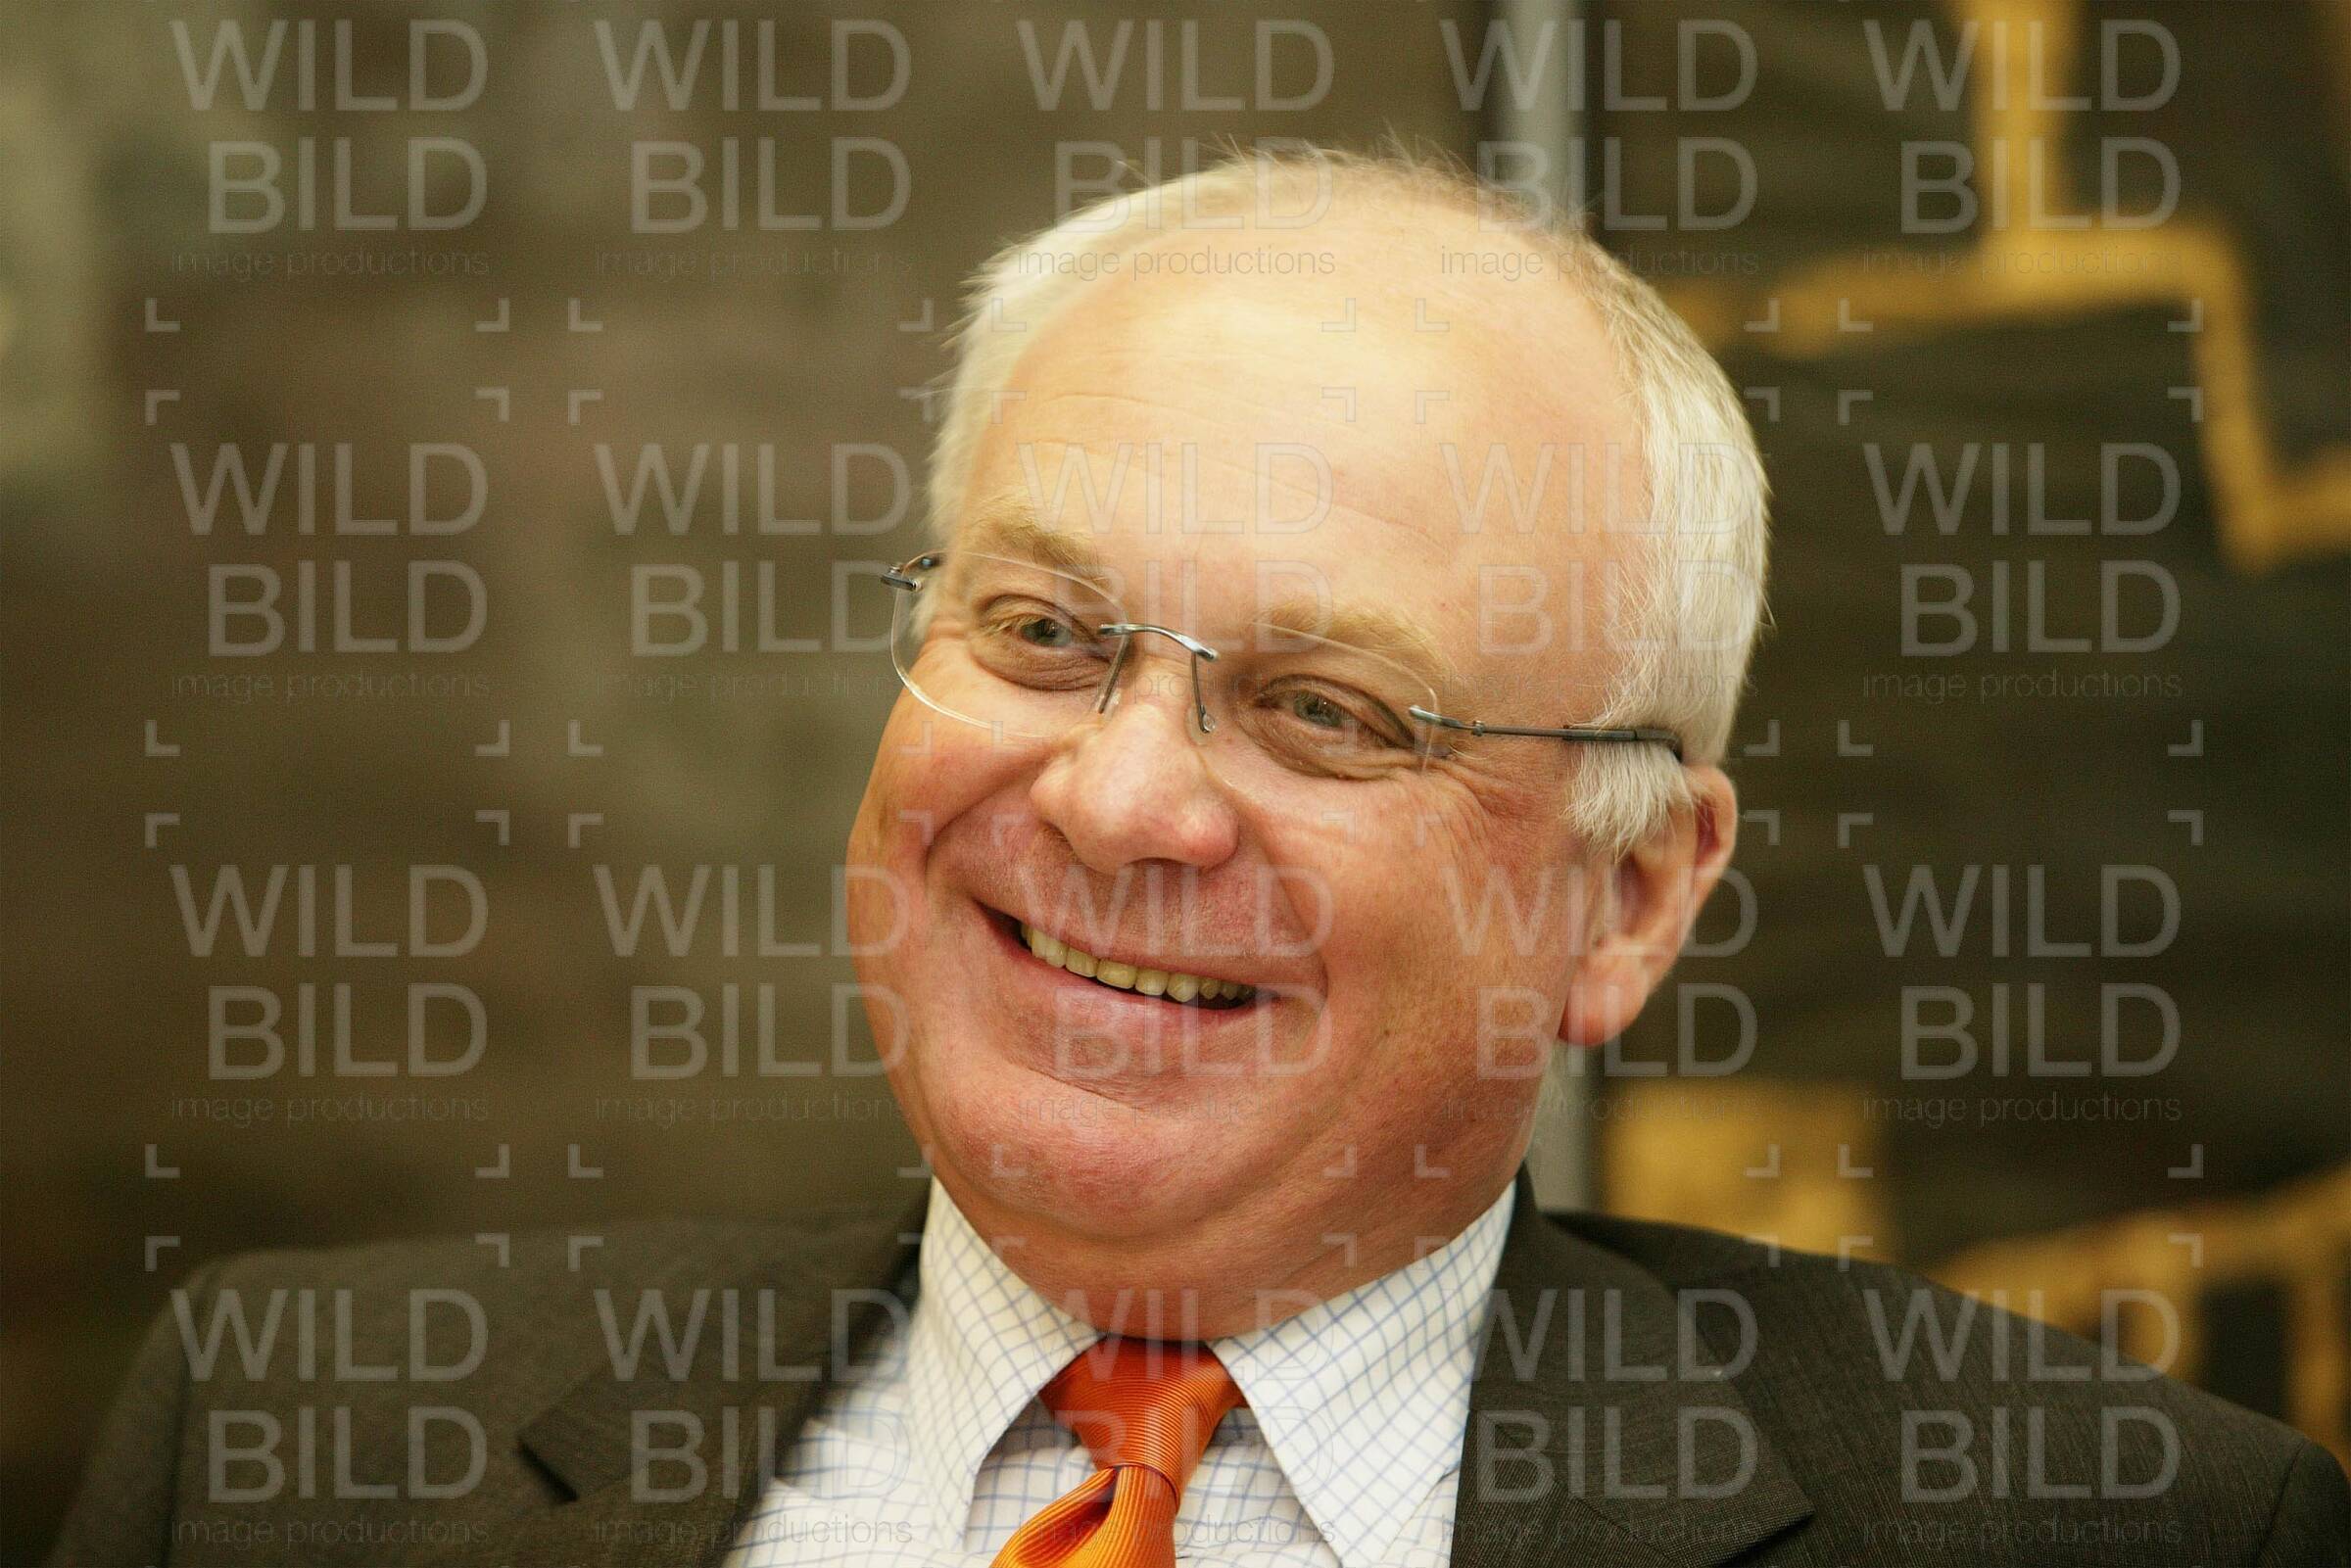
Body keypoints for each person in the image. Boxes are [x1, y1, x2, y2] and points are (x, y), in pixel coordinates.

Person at [53, 146, 2348, 1568]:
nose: (1119, 800)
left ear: (1626, 896)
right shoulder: (291, 1454)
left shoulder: (2114, 1537)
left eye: (1328, 710)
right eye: (1045, 636)